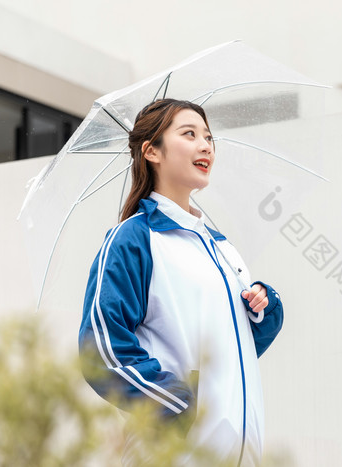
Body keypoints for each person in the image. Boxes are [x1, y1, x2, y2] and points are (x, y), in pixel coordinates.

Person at [78, 98, 284, 466]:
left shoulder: (220, 246)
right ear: (152, 151)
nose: (206, 145)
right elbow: (101, 350)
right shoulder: (134, 240)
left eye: (208, 137)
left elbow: (235, 350)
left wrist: (262, 308)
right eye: (189, 134)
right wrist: (177, 404)